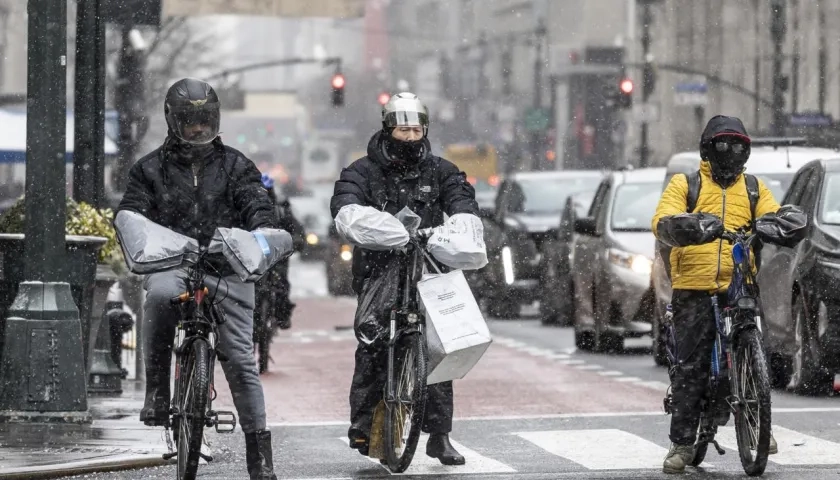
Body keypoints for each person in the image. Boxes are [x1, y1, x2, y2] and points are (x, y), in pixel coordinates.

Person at [118, 78, 280, 480]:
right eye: (190, 120)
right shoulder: (148, 169)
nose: (198, 128)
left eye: (206, 119)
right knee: (157, 299)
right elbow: (132, 214)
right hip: (172, 265)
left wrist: (260, 232)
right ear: (173, 121)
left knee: (241, 360)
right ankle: (157, 393)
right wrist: (146, 239)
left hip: (226, 267)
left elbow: (257, 205)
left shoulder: (238, 165)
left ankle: (260, 455)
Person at [330, 92, 480, 466]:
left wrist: (461, 224)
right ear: (387, 129)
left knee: (437, 345)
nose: (410, 137)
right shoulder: (362, 171)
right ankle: (363, 426)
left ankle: (439, 435)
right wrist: (383, 230)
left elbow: (462, 200)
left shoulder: (441, 170)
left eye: (416, 129)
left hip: (429, 268)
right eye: (402, 129)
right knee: (373, 343)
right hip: (380, 269)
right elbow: (345, 206)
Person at [652, 115, 807, 474]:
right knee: (691, 368)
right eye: (723, 145)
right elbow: (663, 220)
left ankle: (758, 417)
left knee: (756, 346)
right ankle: (681, 443)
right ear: (708, 149)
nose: (731, 152)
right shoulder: (685, 183)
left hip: (739, 283)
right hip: (694, 287)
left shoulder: (753, 188)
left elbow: (771, 214)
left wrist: (784, 222)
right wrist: (691, 225)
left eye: (738, 146)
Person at [253, 173, 306, 373]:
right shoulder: (246, 211)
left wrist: (294, 243)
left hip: (276, 262)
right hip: (254, 261)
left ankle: (282, 316)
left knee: (281, 286)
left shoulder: (282, 212)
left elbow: (298, 233)